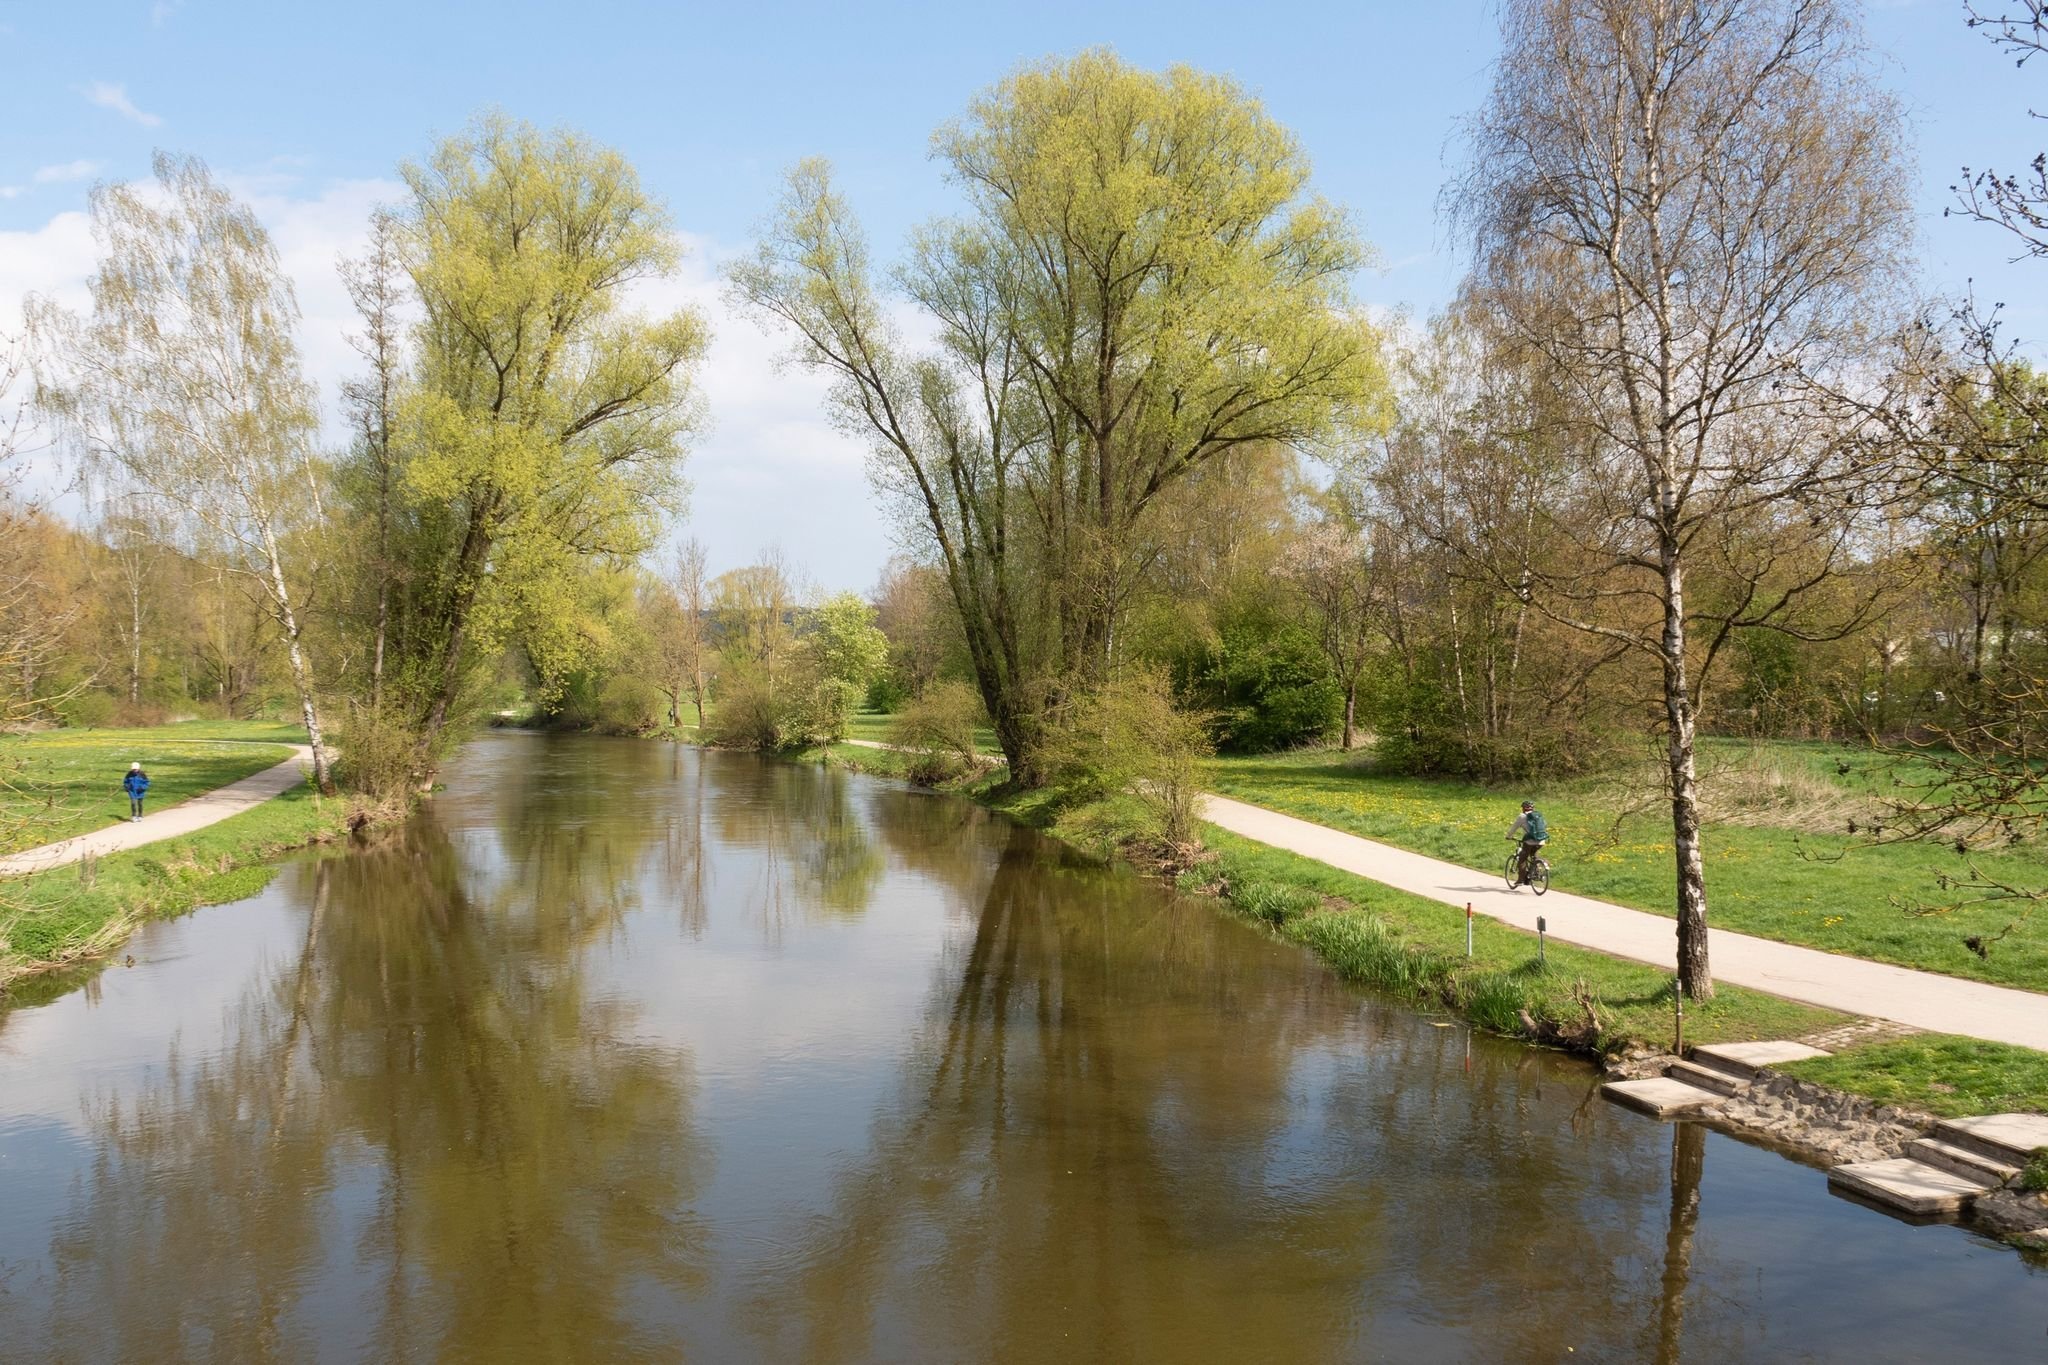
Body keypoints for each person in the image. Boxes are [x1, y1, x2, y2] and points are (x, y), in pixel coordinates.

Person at [1507, 800, 1548, 886]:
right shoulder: (1538, 815)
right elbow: (1544, 826)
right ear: (1533, 808)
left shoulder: (1522, 816)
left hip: (1529, 842)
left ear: (1523, 808)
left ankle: (1520, 880)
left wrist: (1509, 836)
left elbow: (1514, 828)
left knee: (1522, 859)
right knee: (1534, 854)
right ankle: (1537, 870)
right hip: (1541, 841)